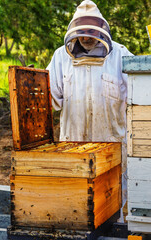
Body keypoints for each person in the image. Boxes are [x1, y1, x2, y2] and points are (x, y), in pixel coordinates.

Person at [47, 0, 133, 221]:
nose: (85, 37)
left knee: (112, 210)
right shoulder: (60, 57)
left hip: (111, 146)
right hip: (72, 144)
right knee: (75, 210)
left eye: (90, 32)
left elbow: (138, 97)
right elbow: (50, 99)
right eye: (81, 32)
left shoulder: (121, 55)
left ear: (101, 30)